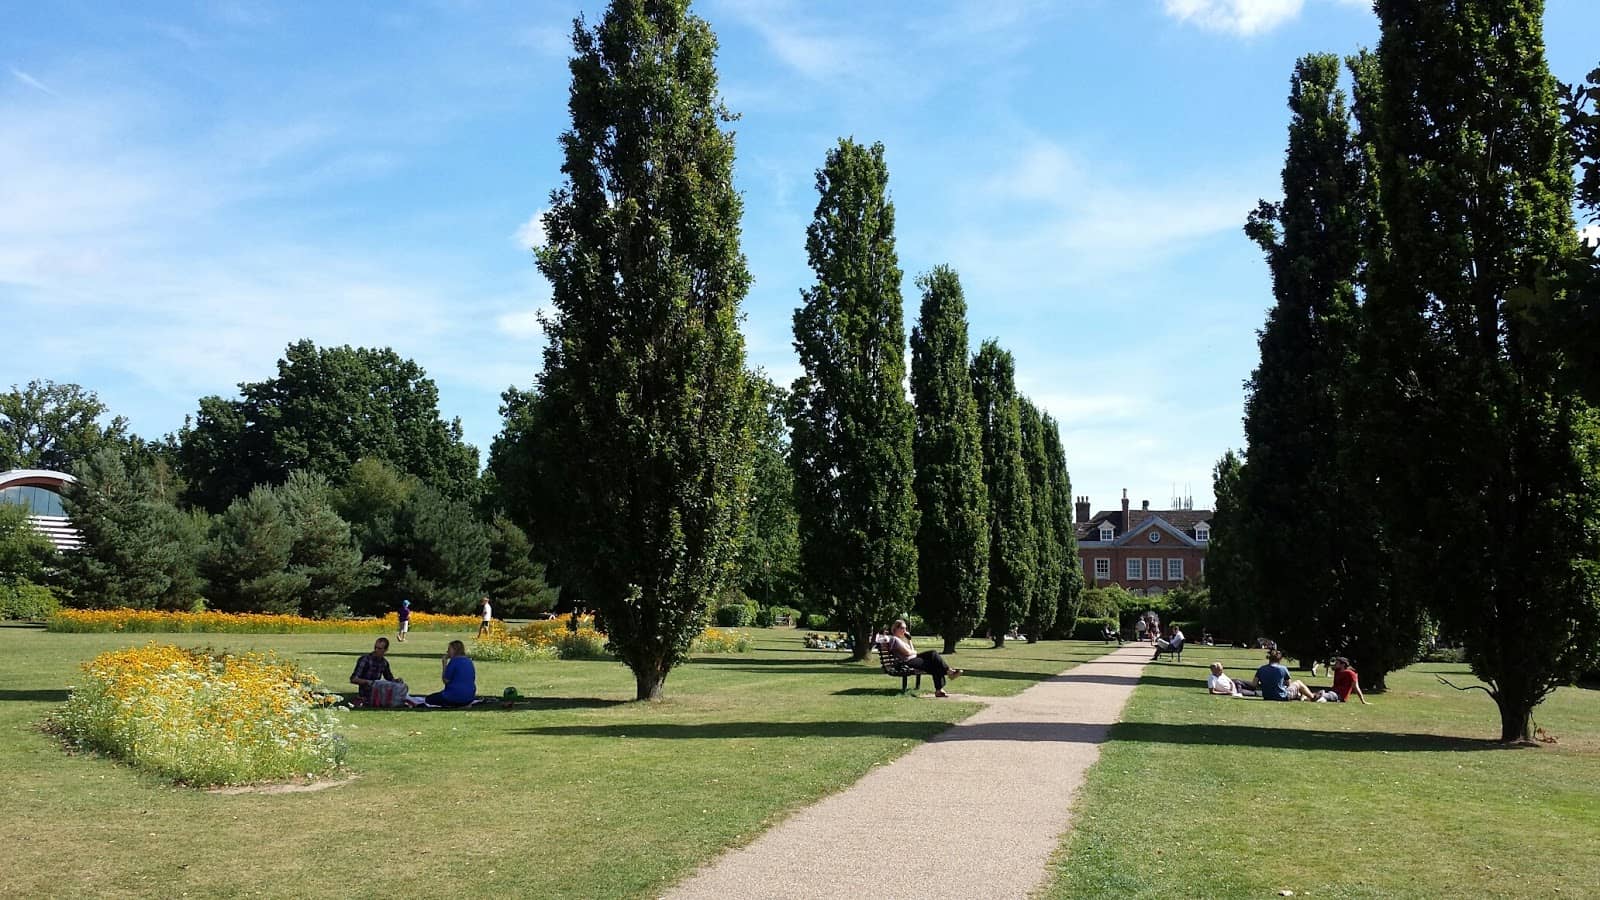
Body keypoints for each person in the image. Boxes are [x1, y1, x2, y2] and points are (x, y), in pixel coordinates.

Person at [879, 618, 962, 698]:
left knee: (933, 654)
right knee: (933, 663)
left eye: (905, 628)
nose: (904, 630)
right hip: (908, 661)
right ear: (895, 629)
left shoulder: (901, 639)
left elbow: (912, 650)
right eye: (902, 628)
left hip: (913, 658)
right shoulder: (895, 639)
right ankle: (946, 677)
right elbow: (907, 652)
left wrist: (909, 640)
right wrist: (914, 652)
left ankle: (947, 675)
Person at [427, 640, 478, 707]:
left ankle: (451, 703)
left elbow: (446, 680)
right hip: (469, 697)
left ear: (455, 650)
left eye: (449, 649)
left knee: (429, 699)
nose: (447, 652)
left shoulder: (454, 661)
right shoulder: (468, 661)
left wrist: (444, 664)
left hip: (453, 696)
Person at [350, 637, 399, 703]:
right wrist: (369, 682)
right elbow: (353, 679)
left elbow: (389, 678)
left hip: (378, 693)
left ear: (386, 650)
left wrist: (397, 681)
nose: (376, 650)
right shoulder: (365, 660)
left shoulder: (384, 663)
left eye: (379, 648)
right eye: (375, 647)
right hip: (364, 694)